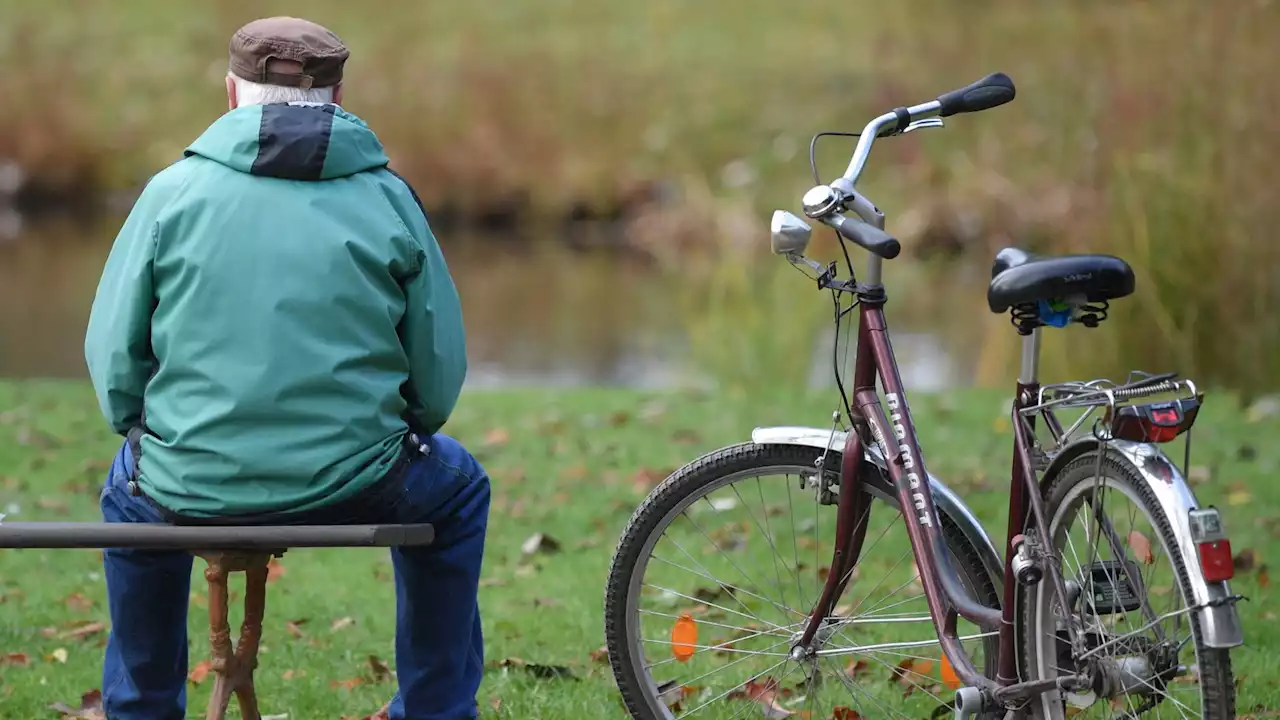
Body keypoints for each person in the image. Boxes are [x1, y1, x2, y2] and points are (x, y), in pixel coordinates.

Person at [83, 16, 488, 720]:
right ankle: (434, 709)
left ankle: (142, 708)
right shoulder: (389, 198)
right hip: (359, 479)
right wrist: (407, 429)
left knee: (130, 496)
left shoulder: (170, 195)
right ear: (339, 94)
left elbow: (116, 361)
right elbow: (438, 372)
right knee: (457, 490)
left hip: (189, 476)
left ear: (231, 92)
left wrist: (141, 429)